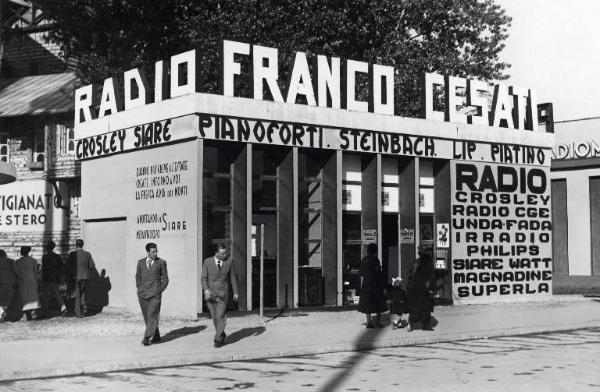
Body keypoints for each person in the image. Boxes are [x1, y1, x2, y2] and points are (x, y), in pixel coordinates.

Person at [201, 244, 238, 347]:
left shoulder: (229, 261)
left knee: (220, 316)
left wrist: (235, 292)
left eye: (226, 252)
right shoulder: (207, 262)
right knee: (214, 317)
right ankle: (221, 334)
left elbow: (233, 278)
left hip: (223, 293)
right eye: (223, 253)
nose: (226, 255)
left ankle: (217, 339)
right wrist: (206, 291)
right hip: (210, 294)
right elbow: (203, 278)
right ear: (216, 254)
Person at [136, 242, 169, 346]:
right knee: (147, 316)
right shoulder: (140, 262)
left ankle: (147, 337)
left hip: (155, 293)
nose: (155, 253)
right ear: (147, 252)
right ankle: (156, 337)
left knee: (153, 315)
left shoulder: (161, 262)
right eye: (153, 252)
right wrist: (139, 288)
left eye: (156, 251)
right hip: (143, 294)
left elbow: (166, 278)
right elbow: (138, 276)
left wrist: (160, 290)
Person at [406, 245, 436, 332]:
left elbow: (410, 275)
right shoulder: (429, 263)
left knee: (414, 307)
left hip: (415, 288)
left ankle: (410, 324)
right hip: (424, 289)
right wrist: (431, 289)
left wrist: (409, 287)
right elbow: (431, 277)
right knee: (426, 307)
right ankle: (425, 325)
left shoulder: (416, 262)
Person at [358, 243, 387, 328]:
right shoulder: (375, 260)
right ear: (375, 251)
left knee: (367, 304)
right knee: (378, 303)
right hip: (375, 284)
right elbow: (379, 273)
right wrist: (382, 284)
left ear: (368, 251)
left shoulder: (364, 260)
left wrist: (367, 276)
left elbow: (360, 272)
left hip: (366, 284)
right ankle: (378, 321)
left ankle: (369, 322)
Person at [68, 239, 96, 317]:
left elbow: (68, 265)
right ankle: (84, 307)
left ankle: (78, 312)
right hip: (85, 276)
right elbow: (92, 265)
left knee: (77, 294)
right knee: (83, 292)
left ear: (76, 245)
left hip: (75, 276)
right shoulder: (87, 254)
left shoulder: (72, 254)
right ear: (82, 245)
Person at [41, 240, 67, 318]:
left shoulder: (45, 257)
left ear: (47, 247)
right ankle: (63, 308)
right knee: (57, 294)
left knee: (46, 296)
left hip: (47, 278)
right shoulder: (57, 257)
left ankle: (46, 313)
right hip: (55, 278)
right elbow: (61, 268)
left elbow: (44, 268)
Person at [15, 246, 40, 320]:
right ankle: (33, 313)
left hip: (23, 280)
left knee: (25, 296)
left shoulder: (18, 261)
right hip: (31, 279)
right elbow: (35, 271)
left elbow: (17, 272)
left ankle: (28, 314)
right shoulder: (33, 260)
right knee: (32, 295)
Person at [0, 250, 17, 322]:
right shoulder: (11, 261)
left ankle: (1, 314)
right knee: (7, 300)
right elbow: (16, 272)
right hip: (9, 284)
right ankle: (3, 313)